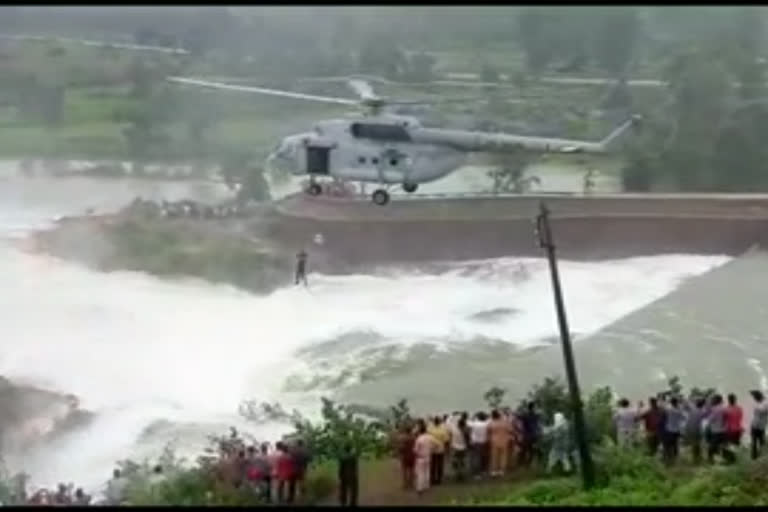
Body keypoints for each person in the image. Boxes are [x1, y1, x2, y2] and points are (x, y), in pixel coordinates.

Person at [414, 419, 439, 495]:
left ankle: (420, 488)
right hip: (428, 456)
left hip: (420, 457)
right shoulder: (430, 437)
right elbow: (437, 444)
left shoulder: (419, 439)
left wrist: (417, 452)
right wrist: (432, 449)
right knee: (427, 471)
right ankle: (426, 486)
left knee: (420, 473)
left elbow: (415, 450)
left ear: (420, 431)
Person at [707, 394, 731, 464]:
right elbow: (727, 418)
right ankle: (727, 461)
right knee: (724, 447)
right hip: (724, 430)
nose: (712, 401)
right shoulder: (725, 408)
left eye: (713, 399)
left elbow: (710, 420)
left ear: (716, 400)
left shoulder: (714, 409)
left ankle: (711, 461)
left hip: (716, 431)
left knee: (712, 447)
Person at [662, 396, 686, 465]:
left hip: (669, 430)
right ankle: (675, 459)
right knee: (675, 445)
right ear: (677, 403)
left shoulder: (668, 409)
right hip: (677, 430)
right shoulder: (679, 410)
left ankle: (668, 459)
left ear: (671, 402)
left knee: (668, 445)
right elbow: (684, 418)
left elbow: (663, 412)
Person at [488, 409, 512, 477]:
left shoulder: (492, 423)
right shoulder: (505, 422)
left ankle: (494, 471)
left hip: (494, 441)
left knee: (494, 456)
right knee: (503, 456)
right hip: (504, 441)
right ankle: (501, 471)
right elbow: (510, 430)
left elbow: (488, 430)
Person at [427, 416, 450, 486]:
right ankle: (438, 479)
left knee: (433, 465)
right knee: (439, 465)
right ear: (439, 421)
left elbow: (427, 438)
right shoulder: (443, 429)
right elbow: (446, 440)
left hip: (432, 449)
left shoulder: (429, 428)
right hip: (440, 449)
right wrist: (447, 449)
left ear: (434, 421)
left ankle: (432, 479)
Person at [684, 398, 707, 464]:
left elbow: (686, 404)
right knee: (697, 444)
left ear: (696, 403)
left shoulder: (692, 408)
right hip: (697, 429)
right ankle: (696, 458)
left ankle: (696, 458)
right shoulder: (703, 411)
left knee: (695, 444)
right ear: (703, 405)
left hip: (689, 428)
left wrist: (689, 400)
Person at [394, 423, 416, 490]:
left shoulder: (402, 438)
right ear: (411, 430)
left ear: (405, 431)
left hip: (405, 456)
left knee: (404, 471)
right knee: (412, 470)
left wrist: (398, 453)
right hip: (412, 455)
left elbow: (400, 448)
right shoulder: (414, 437)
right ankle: (411, 484)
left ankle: (405, 484)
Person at [469, 412, 490, 478]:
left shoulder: (475, 424)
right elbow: (489, 420)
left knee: (476, 458)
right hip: (484, 442)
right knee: (484, 457)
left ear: (478, 418)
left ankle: (476, 473)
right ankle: (483, 471)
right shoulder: (486, 424)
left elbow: (468, 423)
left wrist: (473, 417)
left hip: (476, 442)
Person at [449, 413, 470, 482]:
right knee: (462, 462)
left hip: (455, 447)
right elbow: (467, 439)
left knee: (455, 461)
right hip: (463, 447)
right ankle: (461, 474)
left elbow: (450, 432)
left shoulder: (454, 429)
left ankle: (457, 475)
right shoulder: (465, 431)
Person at [519, 402, 540, 466]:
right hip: (530, 435)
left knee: (528, 450)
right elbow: (534, 425)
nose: (536, 408)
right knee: (529, 450)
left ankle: (525, 463)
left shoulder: (527, 415)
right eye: (535, 407)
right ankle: (526, 463)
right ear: (532, 407)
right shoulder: (533, 415)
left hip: (529, 435)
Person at [750, 390, 768, 460]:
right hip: (757, 424)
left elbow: (762, 410)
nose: (754, 399)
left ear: (758, 397)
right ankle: (755, 456)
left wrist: (756, 407)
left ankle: (758, 456)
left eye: (755, 397)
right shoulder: (762, 402)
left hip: (759, 425)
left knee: (759, 441)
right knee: (755, 441)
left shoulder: (764, 403)